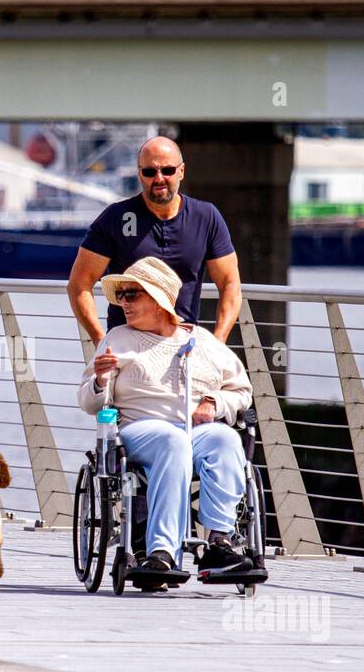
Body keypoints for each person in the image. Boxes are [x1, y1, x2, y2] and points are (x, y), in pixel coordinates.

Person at [77, 258, 254, 583]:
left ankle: (220, 543)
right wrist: (101, 380)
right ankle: (161, 552)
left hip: (194, 430)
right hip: (138, 432)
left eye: (133, 295)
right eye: (123, 296)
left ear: (159, 301)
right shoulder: (119, 338)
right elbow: (88, 402)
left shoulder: (203, 343)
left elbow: (243, 391)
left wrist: (214, 402)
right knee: (172, 442)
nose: (123, 303)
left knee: (226, 439)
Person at [67, 135, 243, 345]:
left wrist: (218, 342)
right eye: (149, 172)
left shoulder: (206, 216)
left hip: (183, 344)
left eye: (167, 170)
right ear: (140, 175)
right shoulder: (115, 218)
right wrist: (100, 341)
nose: (159, 178)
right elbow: (79, 284)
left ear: (181, 171)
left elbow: (230, 283)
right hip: (127, 345)